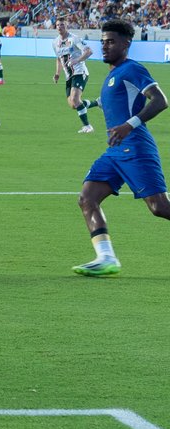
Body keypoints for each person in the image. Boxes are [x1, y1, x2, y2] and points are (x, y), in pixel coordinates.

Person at [72, 18, 170, 275]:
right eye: (103, 42)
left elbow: (160, 101)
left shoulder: (132, 69)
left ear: (127, 44)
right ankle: (106, 258)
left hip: (136, 147)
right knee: (87, 198)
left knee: (160, 207)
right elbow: (113, 104)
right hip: (115, 151)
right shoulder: (113, 75)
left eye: (111, 42)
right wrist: (89, 105)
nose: (105, 47)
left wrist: (130, 124)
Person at [52, 18, 100, 133]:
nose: (59, 27)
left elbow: (89, 51)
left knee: (75, 99)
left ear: (66, 25)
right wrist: (57, 73)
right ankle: (98, 102)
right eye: (58, 25)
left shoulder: (74, 39)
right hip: (69, 76)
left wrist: (77, 60)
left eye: (62, 24)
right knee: (74, 104)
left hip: (79, 72)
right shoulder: (55, 43)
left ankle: (88, 126)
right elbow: (59, 59)